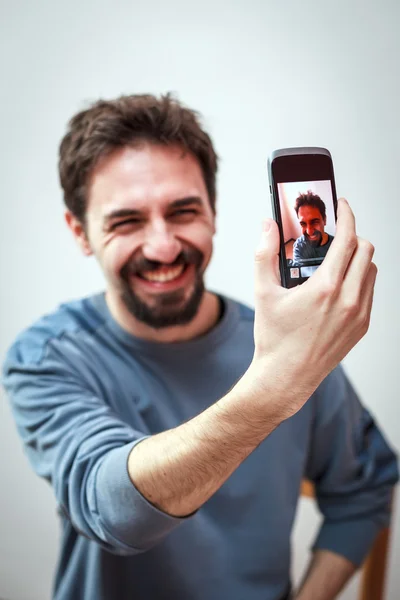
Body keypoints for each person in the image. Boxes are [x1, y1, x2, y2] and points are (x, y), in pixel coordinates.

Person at [2, 93, 398, 600]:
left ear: (213, 213)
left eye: (183, 211)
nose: (163, 246)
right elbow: (113, 511)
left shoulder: (288, 348)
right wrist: (274, 388)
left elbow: (366, 488)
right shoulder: (48, 357)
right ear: (80, 232)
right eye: (127, 221)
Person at [292, 191, 334, 265]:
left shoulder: (336, 244)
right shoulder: (299, 246)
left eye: (314, 222)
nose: (309, 231)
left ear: (324, 220)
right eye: (303, 224)